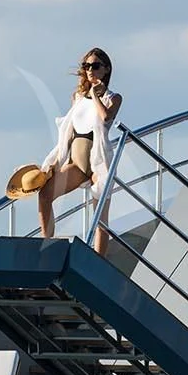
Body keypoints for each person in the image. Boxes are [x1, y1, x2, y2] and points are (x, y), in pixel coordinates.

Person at [38, 48, 122, 255]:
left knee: (101, 219)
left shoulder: (113, 98)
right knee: (45, 194)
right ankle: (47, 245)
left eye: (95, 66)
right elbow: (68, 132)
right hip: (77, 161)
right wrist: (56, 161)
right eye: (86, 66)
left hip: (98, 162)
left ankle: (98, 263)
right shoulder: (77, 97)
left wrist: (95, 95)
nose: (90, 70)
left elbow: (105, 119)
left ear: (106, 69)